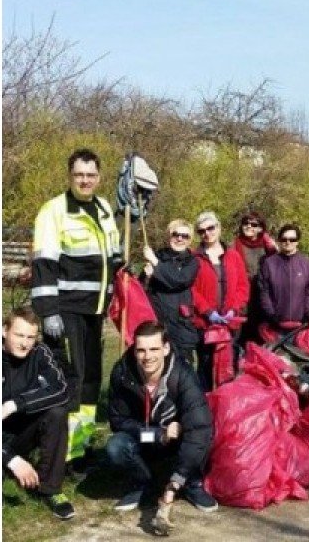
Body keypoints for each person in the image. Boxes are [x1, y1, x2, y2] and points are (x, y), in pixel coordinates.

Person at [31, 148, 122, 465]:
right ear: (70, 176)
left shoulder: (105, 207)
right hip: (66, 309)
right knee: (72, 378)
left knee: (92, 379)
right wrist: (48, 311)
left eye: (91, 175)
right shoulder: (54, 211)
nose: (85, 180)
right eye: (79, 174)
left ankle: (79, 448)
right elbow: (43, 264)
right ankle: (60, 453)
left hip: (95, 311)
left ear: (99, 177)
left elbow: (112, 255)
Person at [106, 321, 217, 523]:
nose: (147, 357)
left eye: (154, 349)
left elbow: (200, 427)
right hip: (145, 436)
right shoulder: (123, 373)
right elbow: (117, 421)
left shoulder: (183, 374)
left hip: (177, 438)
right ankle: (142, 484)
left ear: (165, 348)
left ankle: (192, 483)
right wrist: (158, 434)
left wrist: (176, 481)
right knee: (116, 446)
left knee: (201, 431)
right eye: (141, 350)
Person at [2, 307, 73, 520]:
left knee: (57, 413)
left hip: (22, 433)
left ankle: (51, 489)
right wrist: (12, 460)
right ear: (4, 331)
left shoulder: (40, 353)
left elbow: (61, 389)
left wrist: (15, 404)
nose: (25, 343)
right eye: (19, 335)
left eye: (31, 337)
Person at [190, 211, 250, 391]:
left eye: (211, 228)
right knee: (206, 368)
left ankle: (226, 408)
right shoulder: (194, 258)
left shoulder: (234, 256)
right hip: (205, 324)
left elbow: (243, 286)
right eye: (202, 231)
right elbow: (191, 289)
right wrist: (208, 312)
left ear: (219, 227)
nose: (207, 233)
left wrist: (234, 308)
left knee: (229, 367)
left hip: (230, 324)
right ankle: (205, 408)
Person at [141, 219, 201, 366]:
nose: (180, 238)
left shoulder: (192, 262)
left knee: (182, 371)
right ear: (169, 235)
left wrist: (156, 264)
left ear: (190, 240)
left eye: (185, 236)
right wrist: (146, 277)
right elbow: (142, 291)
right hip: (158, 324)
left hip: (181, 326)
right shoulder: (157, 256)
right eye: (176, 234)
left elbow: (178, 280)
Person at [256, 223, 309, 343]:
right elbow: (264, 291)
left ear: (297, 241)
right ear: (279, 241)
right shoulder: (269, 264)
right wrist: (271, 315)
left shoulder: (307, 265)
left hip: (300, 328)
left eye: (292, 239)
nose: (288, 242)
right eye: (284, 239)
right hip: (275, 327)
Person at [231, 210, 277, 344]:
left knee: (261, 342)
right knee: (241, 341)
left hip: (262, 300)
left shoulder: (268, 247)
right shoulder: (234, 246)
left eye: (254, 224)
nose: (249, 226)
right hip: (243, 302)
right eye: (246, 223)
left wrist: (275, 250)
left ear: (261, 228)